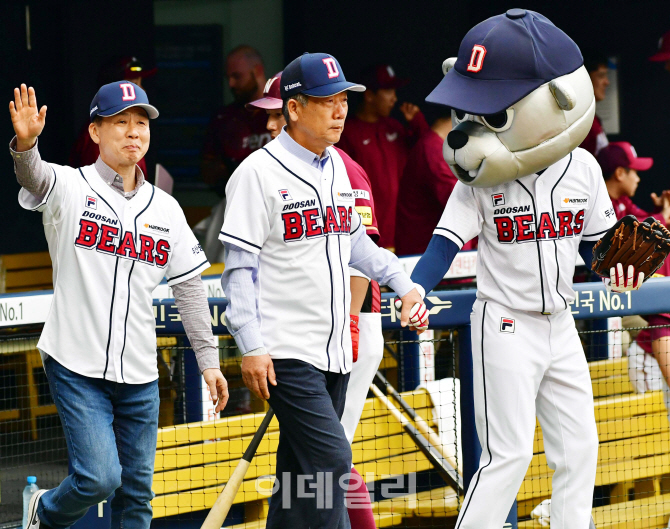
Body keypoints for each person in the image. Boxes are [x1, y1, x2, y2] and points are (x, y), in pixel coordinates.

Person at [417, 9, 632, 528]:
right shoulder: (482, 175)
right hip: (505, 322)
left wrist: (622, 268)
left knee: (580, 448)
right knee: (506, 457)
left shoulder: (582, 167)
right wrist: (417, 288)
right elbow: (444, 242)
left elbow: (599, 247)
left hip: (560, 323)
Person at [220, 53, 427, 529]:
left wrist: (402, 282)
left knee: (299, 478)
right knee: (333, 464)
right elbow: (238, 272)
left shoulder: (336, 165)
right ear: (293, 108)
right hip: (285, 351)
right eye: (326, 101)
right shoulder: (257, 173)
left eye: (342, 100)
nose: (340, 110)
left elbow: (356, 243)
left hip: (334, 350)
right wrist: (251, 346)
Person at [10, 81, 228, 529]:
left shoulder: (165, 208)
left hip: (139, 372)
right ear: (95, 132)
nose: (133, 132)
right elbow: (34, 176)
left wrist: (209, 362)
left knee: (138, 496)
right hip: (75, 363)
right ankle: (45, 511)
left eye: (141, 123)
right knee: (99, 478)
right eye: (121, 122)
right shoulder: (70, 185)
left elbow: (189, 287)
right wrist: (27, 144)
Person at [247, 70, 383, 529]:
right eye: (266, 116)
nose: (269, 125)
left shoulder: (345, 167)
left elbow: (361, 255)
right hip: (295, 342)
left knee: (327, 460)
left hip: (348, 328)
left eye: (342, 100)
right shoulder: (264, 171)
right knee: (319, 461)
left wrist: (350, 321)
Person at [338, 64, 429, 249]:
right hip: (370, 236)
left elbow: (427, 157)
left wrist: (418, 124)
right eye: (388, 91)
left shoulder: (395, 127)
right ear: (369, 95)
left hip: (406, 235)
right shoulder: (347, 133)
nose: (394, 98)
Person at [395, 113, 475, 256]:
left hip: (431, 256)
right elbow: (462, 209)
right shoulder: (434, 151)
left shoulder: (434, 146)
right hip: (429, 260)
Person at [201, 45, 270, 196]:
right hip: (235, 201)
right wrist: (225, 168)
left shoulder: (284, 111)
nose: (231, 84)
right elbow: (207, 173)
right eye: (228, 78)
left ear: (257, 71)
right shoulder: (224, 118)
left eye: (237, 76)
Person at [69, 56, 156, 172]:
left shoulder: (134, 141)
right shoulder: (99, 138)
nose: (142, 90)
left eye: (141, 122)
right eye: (134, 84)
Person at [597, 141, 670, 224]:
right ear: (620, 173)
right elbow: (623, 231)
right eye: (635, 172)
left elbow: (644, 219)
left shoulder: (622, 199)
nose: (638, 179)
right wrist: (662, 217)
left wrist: (660, 208)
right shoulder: (600, 203)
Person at [579, 54, 610, 157]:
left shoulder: (592, 117)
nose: (607, 82)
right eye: (601, 76)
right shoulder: (578, 120)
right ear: (585, 78)